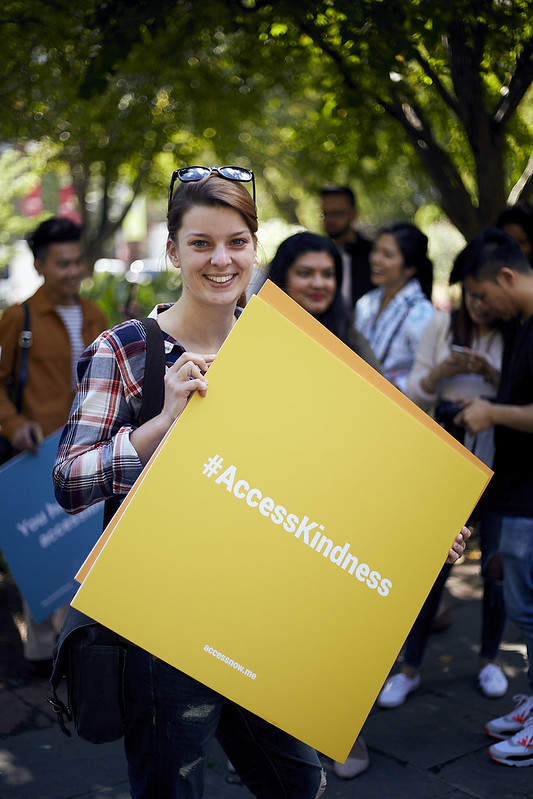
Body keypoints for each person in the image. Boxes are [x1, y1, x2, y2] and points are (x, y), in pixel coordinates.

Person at [52, 167, 328, 799]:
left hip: (259, 611)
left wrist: (420, 532)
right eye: (200, 243)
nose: (220, 260)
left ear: (253, 247)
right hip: (160, 624)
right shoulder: (124, 351)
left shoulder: (280, 345)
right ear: (173, 251)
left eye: (235, 241)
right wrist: (162, 424)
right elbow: (69, 481)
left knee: (300, 783)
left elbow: (322, 473)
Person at [376, 280, 506, 710]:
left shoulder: (515, 328)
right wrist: (441, 373)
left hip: (501, 470)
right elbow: (416, 393)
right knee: (432, 571)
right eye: (474, 296)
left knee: (495, 570)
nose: (482, 305)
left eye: (488, 298)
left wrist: (491, 379)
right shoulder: (441, 325)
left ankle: (490, 660)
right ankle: (409, 669)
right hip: (445, 470)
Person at [0, 217, 107, 676]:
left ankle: (77, 652)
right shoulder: (18, 317)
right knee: (39, 553)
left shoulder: (95, 314)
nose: (72, 271)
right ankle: (40, 657)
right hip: (36, 454)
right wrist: (14, 423)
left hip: (87, 451)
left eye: (77, 261)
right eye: (62, 263)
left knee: (84, 550)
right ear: (42, 266)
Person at [450, 228, 533, 767]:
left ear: (506, 276)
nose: (482, 307)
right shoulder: (521, 323)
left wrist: (492, 412)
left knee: (531, 611)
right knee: (525, 610)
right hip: (515, 490)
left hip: (530, 498)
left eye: (482, 295)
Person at [267, 231, 382, 372]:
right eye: (305, 273)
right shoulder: (260, 334)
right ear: (282, 277)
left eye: (327, 275)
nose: (318, 284)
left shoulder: (352, 340)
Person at [354, 222, 435, 393]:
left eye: (387, 255)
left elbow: (430, 374)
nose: (376, 259)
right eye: (375, 250)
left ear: (410, 268)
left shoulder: (422, 313)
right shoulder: (367, 302)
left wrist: (400, 387)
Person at [320, 185, 374, 306]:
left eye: (337, 213)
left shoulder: (373, 255)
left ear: (354, 214)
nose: (330, 220)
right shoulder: (317, 254)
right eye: (325, 214)